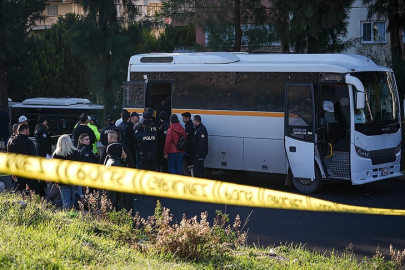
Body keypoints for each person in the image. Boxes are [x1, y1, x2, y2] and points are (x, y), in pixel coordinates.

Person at [7, 124, 43, 196]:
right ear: (24, 130)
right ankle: (35, 204)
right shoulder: (29, 142)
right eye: (28, 130)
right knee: (35, 191)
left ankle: (21, 204)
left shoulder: (11, 142)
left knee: (21, 190)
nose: (29, 132)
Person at [52, 134, 83, 209]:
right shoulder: (75, 153)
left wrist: (54, 181)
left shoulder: (56, 155)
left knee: (65, 200)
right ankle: (76, 213)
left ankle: (67, 214)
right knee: (76, 198)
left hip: (61, 180)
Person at [104, 142, 134, 212]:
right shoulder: (116, 165)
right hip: (119, 202)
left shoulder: (110, 161)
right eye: (122, 150)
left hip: (113, 200)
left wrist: (124, 159)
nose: (123, 152)